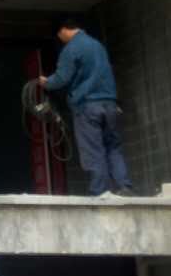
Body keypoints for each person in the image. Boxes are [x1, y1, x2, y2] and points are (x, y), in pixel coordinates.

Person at [39, 18, 134, 198]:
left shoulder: (71, 49)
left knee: (93, 149)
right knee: (113, 147)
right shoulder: (98, 46)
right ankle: (125, 186)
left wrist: (46, 82)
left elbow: (62, 78)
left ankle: (100, 192)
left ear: (63, 30)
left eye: (59, 35)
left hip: (88, 105)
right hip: (110, 104)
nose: (60, 39)